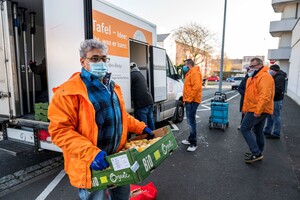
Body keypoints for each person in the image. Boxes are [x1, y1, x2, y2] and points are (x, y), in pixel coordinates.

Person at [48, 39, 153, 200]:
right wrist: (92, 154)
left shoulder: (111, 86)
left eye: (104, 59)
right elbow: (60, 132)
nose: (101, 63)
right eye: (95, 58)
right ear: (83, 61)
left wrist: (140, 127)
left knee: (122, 196)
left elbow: (120, 116)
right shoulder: (67, 92)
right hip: (92, 165)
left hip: (119, 159)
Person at [240, 57, 275, 163]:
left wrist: (258, 111)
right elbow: (248, 95)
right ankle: (258, 151)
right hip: (254, 108)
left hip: (258, 109)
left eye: (253, 66)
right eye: (250, 66)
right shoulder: (253, 78)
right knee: (257, 130)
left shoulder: (264, 77)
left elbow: (264, 95)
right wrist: (245, 108)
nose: (250, 68)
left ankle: (256, 152)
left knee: (244, 128)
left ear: (260, 65)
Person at [181, 59, 202, 152]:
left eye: (185, 64)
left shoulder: (194, 73)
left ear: (188, 64)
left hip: (192, 101)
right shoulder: (190, 73)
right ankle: (190, 139)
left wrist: (189, 99)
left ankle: (193, 143)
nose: (184, 67)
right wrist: (185, 99)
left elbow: (196, 87)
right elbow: (188, 88)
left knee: (191, 122)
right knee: (190, 121)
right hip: (190, 100)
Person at [130, 62, 155, 130]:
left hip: (142, 104)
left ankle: (147, 138)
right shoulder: (140, 74)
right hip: (149, 100)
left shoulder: (132, 75)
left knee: (143, 124)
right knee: (150, 121)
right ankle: (154, 137)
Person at [264, 64, 286, 139]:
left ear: (274, 70)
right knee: (270, 116)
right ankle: (267, 130)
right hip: (273, 99)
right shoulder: (275, 76)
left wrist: (269, 94)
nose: (269, 71)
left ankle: (276, 133)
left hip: (276, 100)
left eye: (271, 70)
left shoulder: (279, 78)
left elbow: (278, 90)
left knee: (276, 116)